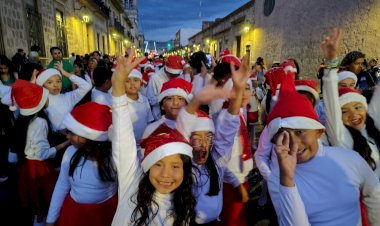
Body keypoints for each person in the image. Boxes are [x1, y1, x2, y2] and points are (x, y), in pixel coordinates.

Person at [266, 75, 380, 226]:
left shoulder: (350, 159)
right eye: (283, 136)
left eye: (300, 132)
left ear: (319, 132)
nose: (293, 144)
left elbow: (374, 196)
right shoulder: (277, 178)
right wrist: (287, 180)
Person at [111, 50, 196, 226]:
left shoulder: (184, 204)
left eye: (175, 166)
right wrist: (118, 88)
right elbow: (123, 139)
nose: (166, 174)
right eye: (157, 163)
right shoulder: (132, 186)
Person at [46, 102, 117, 226]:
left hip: (104, 214)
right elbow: (62, 185)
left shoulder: (114, 159)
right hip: (74, 212)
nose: (68, 136)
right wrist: (51, 219)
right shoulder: (70, 152)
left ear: (88, 136)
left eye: (72, 132)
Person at [9, 80, 70, 225]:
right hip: (39, 167)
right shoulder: (40, 122)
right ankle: (45, 218)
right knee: (47, 195)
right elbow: (43, 153)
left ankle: (39, 216)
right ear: (39, 103)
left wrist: (58, 131)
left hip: (27, 165)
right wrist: (65, 143)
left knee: (35, 195)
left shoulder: (24, 118)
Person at [124, 69, 154, 158]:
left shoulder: (144, 100)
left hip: (143, 143)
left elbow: (149, 121)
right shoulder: (121, 102)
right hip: (127, 146)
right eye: (128, 81)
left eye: (136, 80)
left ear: (141, 83)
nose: (132, 84)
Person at [146, 55, 184, 121]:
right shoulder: (155, 78)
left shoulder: (180, 77)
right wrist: (163, 96)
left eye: (176, 75)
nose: (174, 77)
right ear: (167, 70)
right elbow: (150, 100)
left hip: (177, 118)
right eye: (172, 75)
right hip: (159, 118)